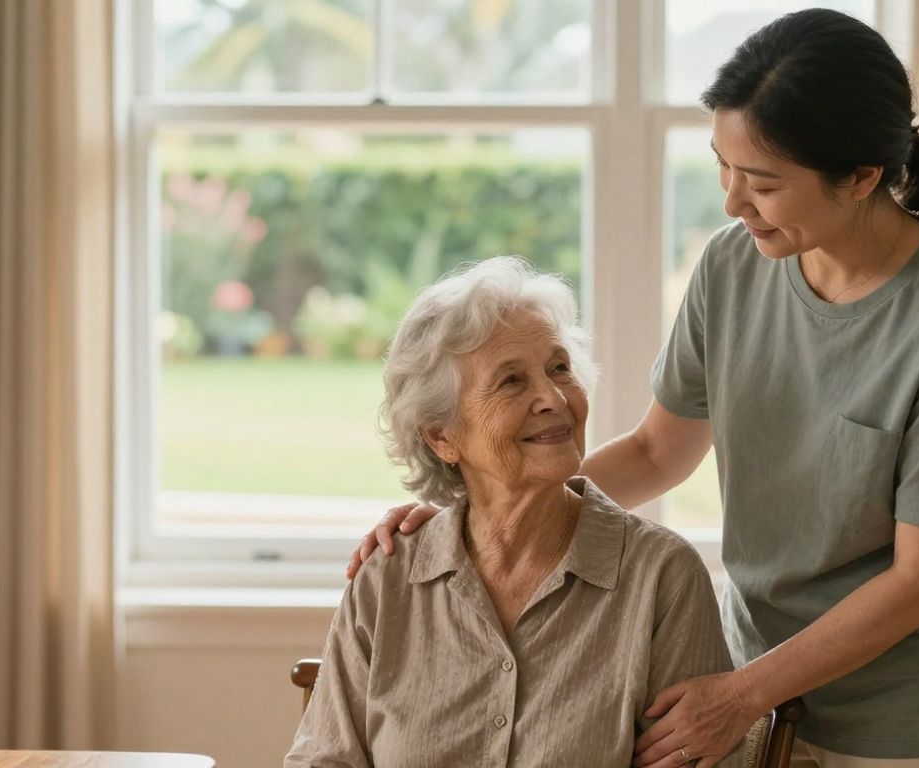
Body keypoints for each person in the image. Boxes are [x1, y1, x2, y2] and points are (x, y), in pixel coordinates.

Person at [348, 9, 919, 768]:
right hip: (755, 679)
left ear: (862, 177)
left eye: (762, 183)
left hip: (906, 721)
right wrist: (469, 511)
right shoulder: (736, 265)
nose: (733, 202)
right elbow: (655, 453)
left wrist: (741, 694)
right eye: (722, 167)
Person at [286, 257, 742, 767]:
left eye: (559, 368)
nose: (553, 398)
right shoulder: (389, 575)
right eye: (511, 381)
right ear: (441, 437)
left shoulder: (661, 577)